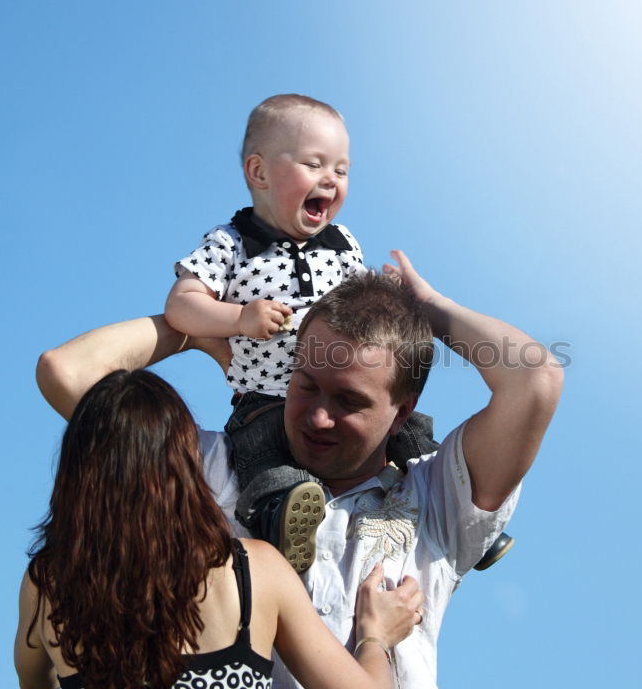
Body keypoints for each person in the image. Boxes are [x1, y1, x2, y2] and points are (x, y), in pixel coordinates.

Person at [36, 251, 563, 689]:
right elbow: (66, 371)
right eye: (305, 384)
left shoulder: (438, 492)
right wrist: (199, 328)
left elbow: (536, 378)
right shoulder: (215, 474)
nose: (316, 415)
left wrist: (432, 312)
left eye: (349, 400)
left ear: (405, 408)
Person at [15, 369, 423, 689]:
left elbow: (33, 679)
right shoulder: (254, 571)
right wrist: (375, 635)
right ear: (185, 463)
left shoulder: (48, 585)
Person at [163, 95, 507, 572]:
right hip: (264, 396)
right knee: (264, 461)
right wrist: (237, 319)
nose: (331, 179)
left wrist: (388, 300)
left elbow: (358, 306)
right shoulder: (231, 243)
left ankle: (471, 518)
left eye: (342, 170)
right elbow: (181, 304)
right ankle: (279, 521)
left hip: (341, 386)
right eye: (314, 164)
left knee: (410, 431)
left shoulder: (342, 242)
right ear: (259, 173)